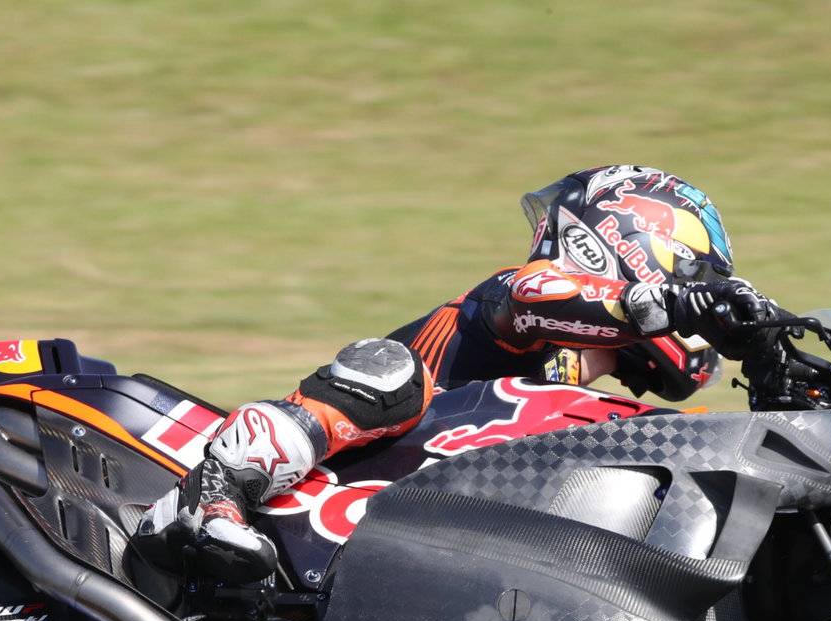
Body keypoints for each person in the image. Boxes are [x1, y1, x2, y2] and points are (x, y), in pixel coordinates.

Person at [139, 164, 778, 582]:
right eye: (700, 286)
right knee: (392, 374)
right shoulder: (521, 298)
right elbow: (532, 294)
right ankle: (212, 494)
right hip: (350, 481)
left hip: (437, 542)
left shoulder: (578, 389)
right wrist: (660, 305)